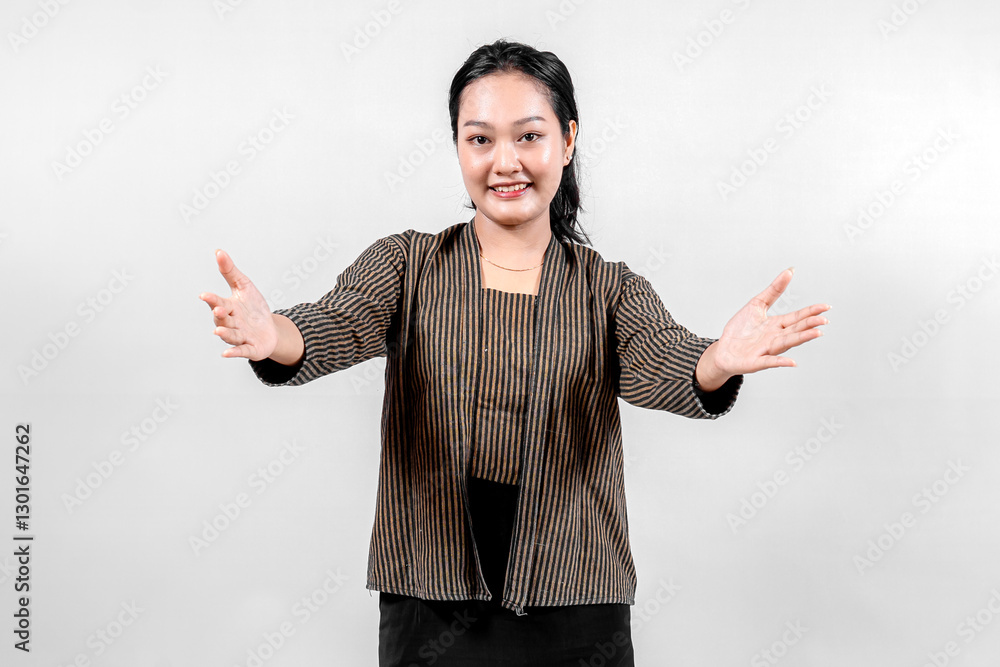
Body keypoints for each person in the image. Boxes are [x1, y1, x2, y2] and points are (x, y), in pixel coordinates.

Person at [198, 39, 830, 667]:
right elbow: (337, 322)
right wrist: (273, 334)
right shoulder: (407, 265)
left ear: (568, 140)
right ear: (457, 145)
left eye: (529, 136)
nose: (506, 162)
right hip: (429, 597)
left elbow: (661, 359)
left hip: (576, 599)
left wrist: (718, 359)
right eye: (480, 139)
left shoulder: (608, 288)